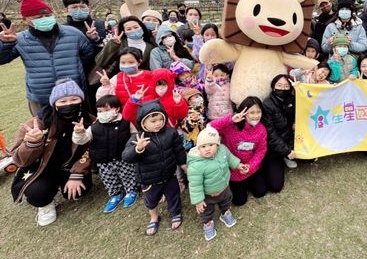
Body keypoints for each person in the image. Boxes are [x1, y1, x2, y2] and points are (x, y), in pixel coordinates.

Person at [10, 80, 94, 226]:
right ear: (54, 104)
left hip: (69, 166)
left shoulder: (89, 121)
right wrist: (32, 143)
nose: (68, 104)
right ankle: (46, 204)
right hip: (40, 168)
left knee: (80, 191)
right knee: (38, 194)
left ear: (81, 101)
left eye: (74, 99)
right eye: (62, 101)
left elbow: (93, 149)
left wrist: (77, 173)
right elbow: (19, 160)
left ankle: (67, 182)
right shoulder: (36, 124)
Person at [0, 0, 94, 116]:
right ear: (25, 20)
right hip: (41, 97)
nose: (45, 19)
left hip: (73, 94)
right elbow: (2, 59)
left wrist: (76, 68)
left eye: (48, 15)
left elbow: (88, 54)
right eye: (39, 17)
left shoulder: (73, 34)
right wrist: (6, 44)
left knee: (80, 129)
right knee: (46, 131)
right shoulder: (19, 39)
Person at [122, 100, 187, 236]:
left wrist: (183, 164)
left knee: (173, 195)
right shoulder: (137, 137)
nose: (158, 123)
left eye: (160, 119)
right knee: (151, 200)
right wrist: (138, 148)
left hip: (169, 175)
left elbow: (178, 150)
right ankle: (154, 217)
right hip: (149, 179)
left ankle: (175, 212)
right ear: (143, 122)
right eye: (153, 121)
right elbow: (127, 157)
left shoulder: (171, 133)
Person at [72, 94, 139, 213]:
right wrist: (79, 132)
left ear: (116, 109)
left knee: (128, 175)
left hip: (122, 157)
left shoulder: (126, 123)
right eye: (100, 111)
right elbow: (82, 140)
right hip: (103, 161)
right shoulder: (94, 127)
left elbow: (134, 134)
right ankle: (115, 195)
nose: (103, 113)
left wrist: (132, 148)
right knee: (109, 179)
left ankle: (131, 191)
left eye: (106, 110)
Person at [187, 126, 249, 241]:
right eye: (203, 146)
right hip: (208, 195)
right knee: (206, 211)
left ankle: (225, 213)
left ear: (218, 145)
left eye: (211, 145)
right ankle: (208, 223)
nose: (207, 149)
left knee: (226, 202)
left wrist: (239, 165)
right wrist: (198, 200)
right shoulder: (196, 165)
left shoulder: (223, 150)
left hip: (224, 188)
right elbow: (195, 185)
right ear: (198, 147)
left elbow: (230, 159)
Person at [208, 97, 268, 206]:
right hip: (234, 170)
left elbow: (261, 151)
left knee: (260, 192)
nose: (256, 115)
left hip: (251, 168)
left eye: (258, 112)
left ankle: (251, 181)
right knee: (239, 201)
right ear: (244, 113)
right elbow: (210, 127)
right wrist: (231, 119)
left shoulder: (261, 129)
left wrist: (250, 166)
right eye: (252, 112)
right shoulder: (230, 126)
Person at [262, 74, 296, 192]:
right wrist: (286, 150)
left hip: (289, 139)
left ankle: (288, 156)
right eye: (279, 85)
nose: (283, 88)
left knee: (310, 158)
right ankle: (285, 156)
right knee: (276, 186)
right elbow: (270, 135)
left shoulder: (292, 100)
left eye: (286, 86)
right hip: (273, 148)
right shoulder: (267, 104)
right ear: (273, 87)